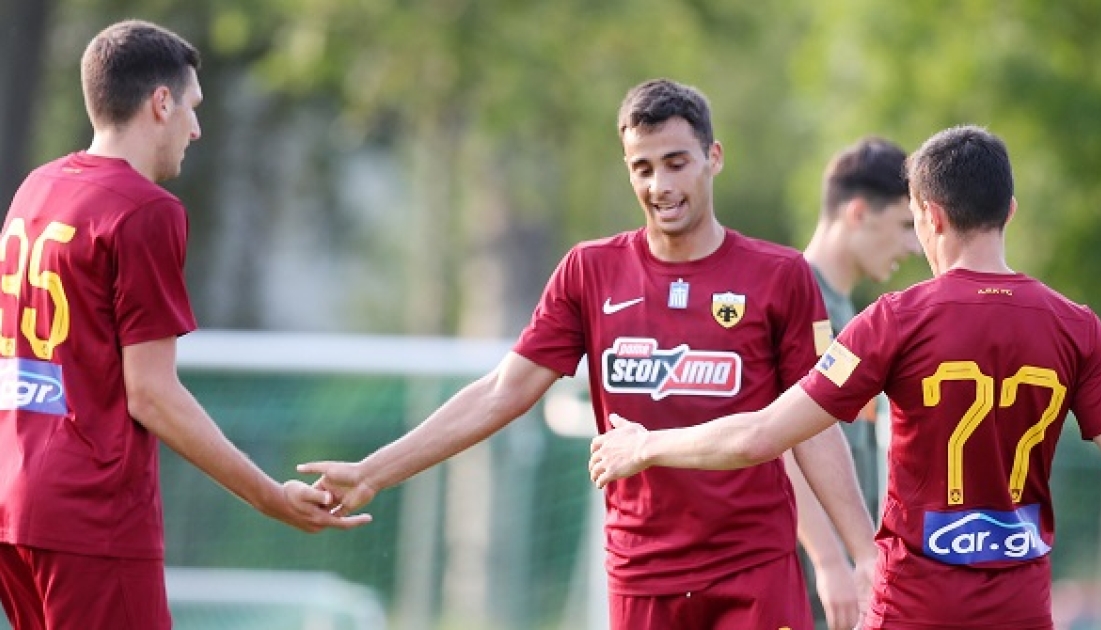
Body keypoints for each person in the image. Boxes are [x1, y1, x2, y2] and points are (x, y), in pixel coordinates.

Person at [299, 78, 877, 630]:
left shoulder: (780, 276)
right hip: (642, 573)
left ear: (713, 157)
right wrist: (372, 473)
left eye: (676, 162)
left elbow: (814, 425)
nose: (660, 186)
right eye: (642, 168)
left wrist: (864, 555)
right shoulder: (589, 271)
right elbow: (502, 392)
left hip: (753, 568)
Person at [588, 124, 1101, 629]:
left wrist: (646, 445)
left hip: (911, 610)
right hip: (1021, 613)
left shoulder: (894, 321)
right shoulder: (1077, 327)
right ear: (1009, 211)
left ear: (929, 215)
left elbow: (761, 436)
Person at [0, 20, 369, 630]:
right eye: (192, 107)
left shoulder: (36, 190)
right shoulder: (145, 210)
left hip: (14, 504)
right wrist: (269, 496)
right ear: (161, 103)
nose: (196, 129)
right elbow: (152, 394)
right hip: (90, 516)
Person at [787, 136, 918, 629]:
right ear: (858, 213)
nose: (913, 245)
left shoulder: (849, 313)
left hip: (845, 582)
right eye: (904, 225)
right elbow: (779, 444)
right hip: (807, 587)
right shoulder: (794, 297)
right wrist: (828, 561)